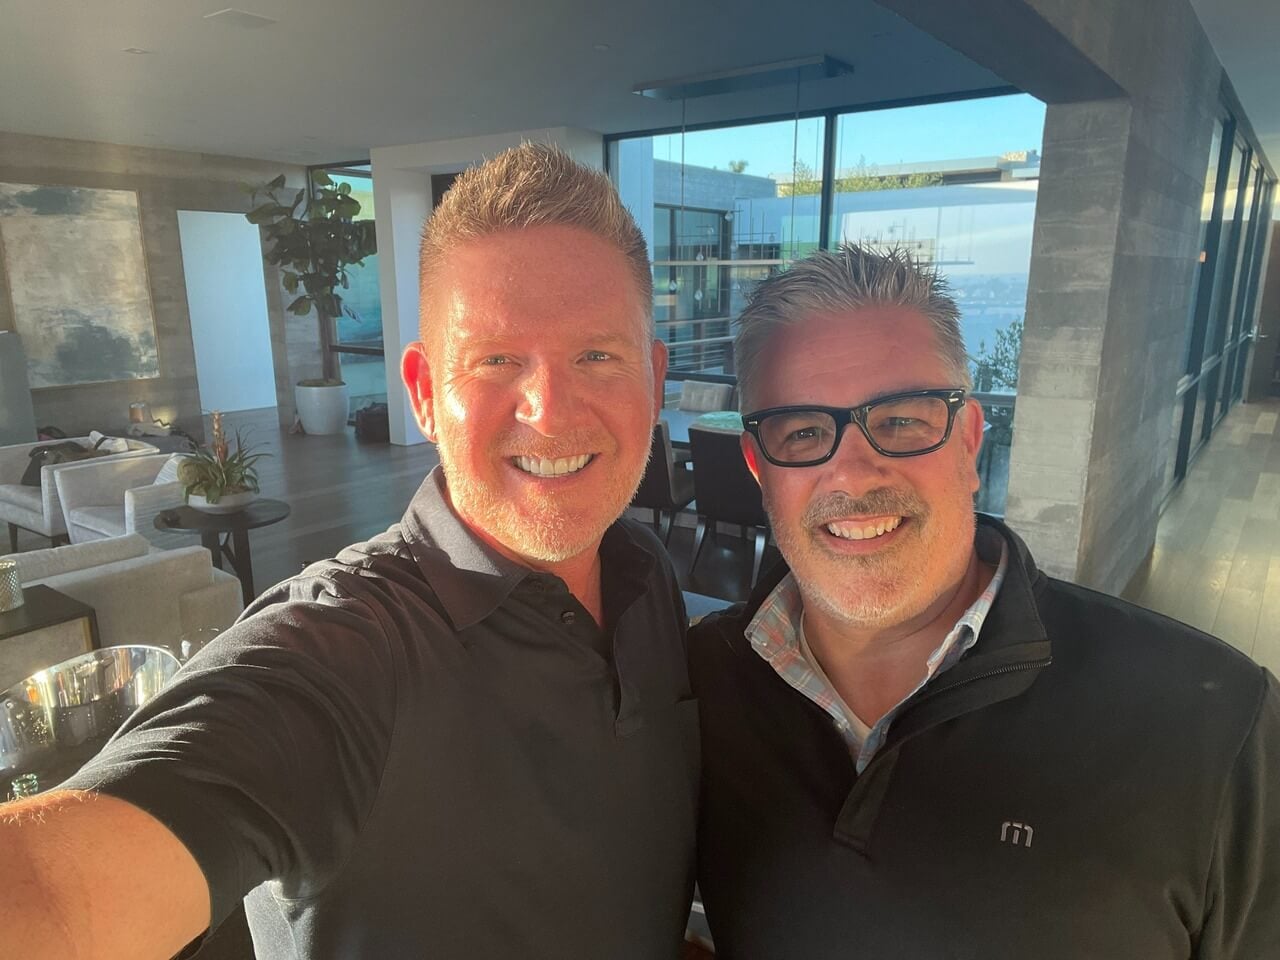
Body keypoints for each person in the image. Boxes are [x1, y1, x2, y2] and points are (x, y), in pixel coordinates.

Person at [2, 143, 698, 959]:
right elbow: (56, 895)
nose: (549, 409)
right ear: (424, 394)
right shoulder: (343, 652)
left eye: (597, 355)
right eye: (497, 360)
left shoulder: (646, 573)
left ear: (653, 380)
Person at [689, 244, 1280, 959]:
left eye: (900, 420)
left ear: (969, 441)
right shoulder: (699, 684)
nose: (853, 472)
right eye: (804, 432)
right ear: (760, 469)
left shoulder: (1216, 725)